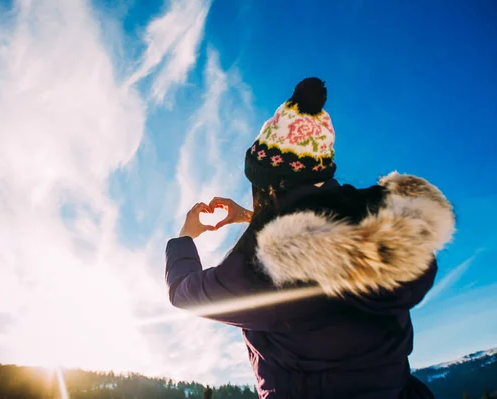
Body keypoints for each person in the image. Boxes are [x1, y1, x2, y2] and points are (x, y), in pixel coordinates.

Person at [165, 78, 455, 398]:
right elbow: (314, 227)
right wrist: (250, 217)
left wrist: (184, 238)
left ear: (270, 183)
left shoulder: (268, 270)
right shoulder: (379, 226)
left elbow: (184, 293)